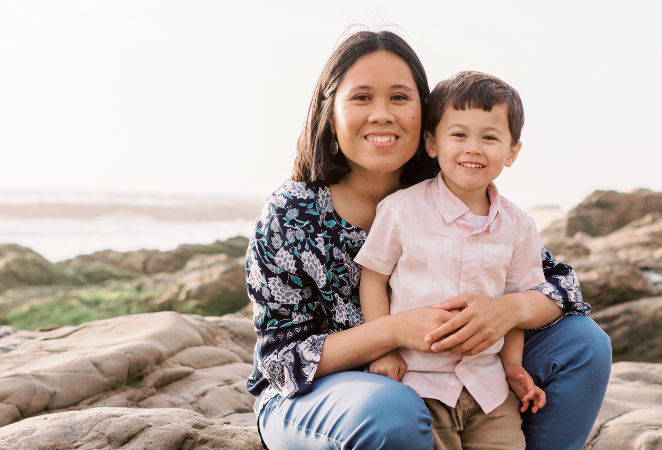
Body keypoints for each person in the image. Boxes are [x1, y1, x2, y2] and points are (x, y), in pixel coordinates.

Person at [245, 30, 611, 450]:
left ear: (426, 113)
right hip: (321, 396)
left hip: (455, 379)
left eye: (400, 97)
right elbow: (280, 362)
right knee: (392, 413)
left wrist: (506, 310)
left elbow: (560, 286)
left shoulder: (452, 189)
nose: (382, 114)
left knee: (584, 345)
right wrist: (393, 332)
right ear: (329, 113)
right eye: (362, 97)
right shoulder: (291, 214)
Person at [356, 70, 547, 450]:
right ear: (432, 144)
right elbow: (373, 279)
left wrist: (513, 367)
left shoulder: (519, 226)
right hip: (419, 384)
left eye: (489, 137)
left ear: (511, 152)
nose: (473, 148)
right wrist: (384, 348)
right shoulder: (400, 210)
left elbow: (515, 304)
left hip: (489, 390)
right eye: (458, 135)